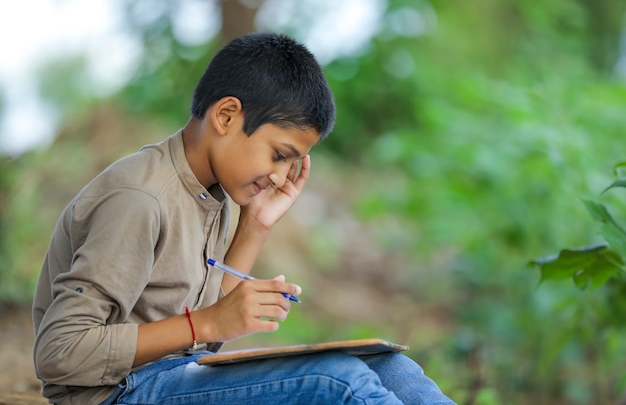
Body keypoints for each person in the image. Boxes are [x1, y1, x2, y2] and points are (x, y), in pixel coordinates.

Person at [32, 32, 455, 405]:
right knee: (340, 381)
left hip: (174, 376)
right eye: (279, 155)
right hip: (120, 393)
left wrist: (255, 226)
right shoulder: (141, 199)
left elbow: (205, 340)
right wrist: (207, 322)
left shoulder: (210, 190)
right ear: (226, 116)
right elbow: (60, 353)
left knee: (390, 367)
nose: (278, 176)